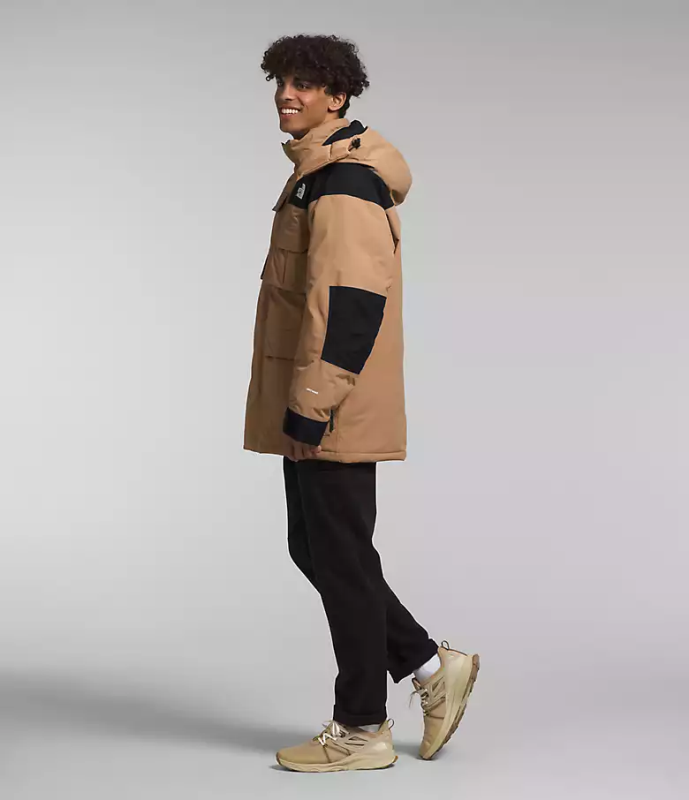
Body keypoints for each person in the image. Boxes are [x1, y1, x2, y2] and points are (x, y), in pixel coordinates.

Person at [243, 33, 480, 773]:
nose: (287, 95)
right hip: (322, 395)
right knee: (319, 548)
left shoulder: (344, 181)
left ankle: (361, 727)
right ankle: (430, 666)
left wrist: (313, 403)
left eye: (305, 84)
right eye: (281, 82)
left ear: (338, 96)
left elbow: (348, 304)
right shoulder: (319, 173)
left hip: (333, 401)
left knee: (339, 556)